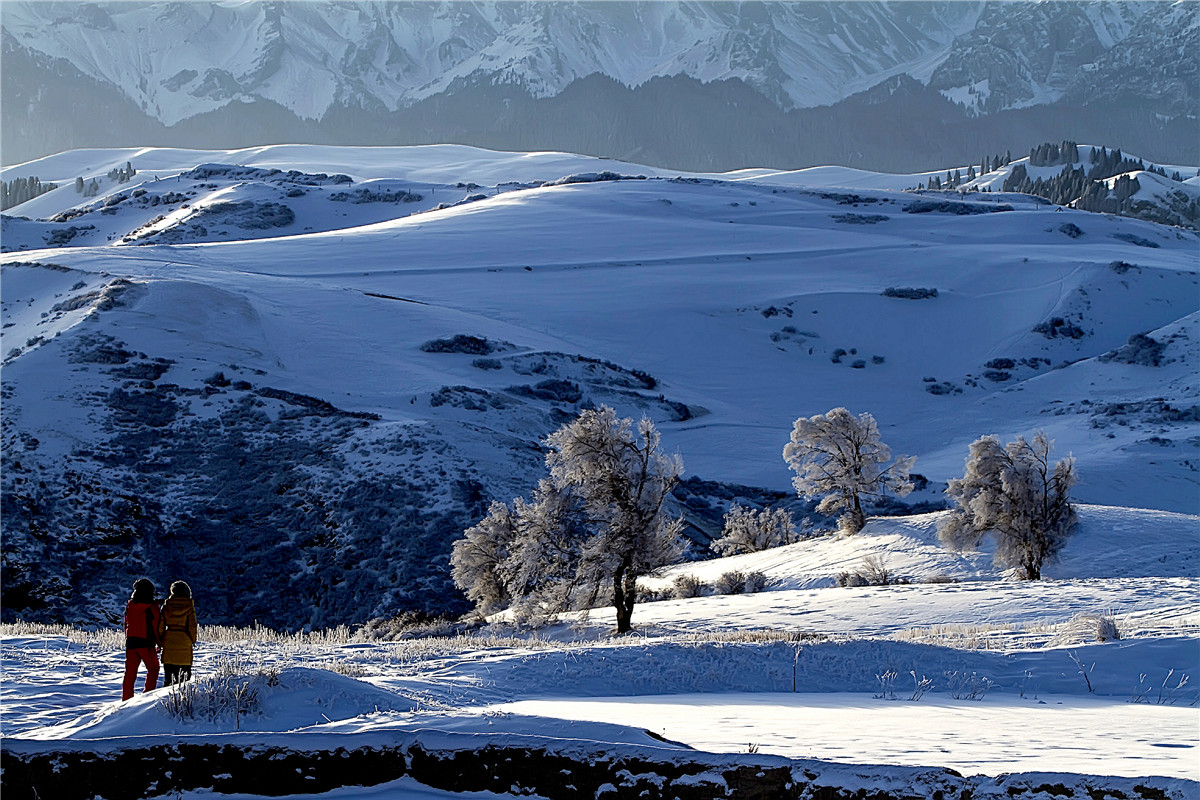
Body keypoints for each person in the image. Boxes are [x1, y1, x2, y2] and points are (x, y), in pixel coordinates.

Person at [122, 578, 161, 701]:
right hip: (146, 643)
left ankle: (126, 699)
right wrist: (160, 643)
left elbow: (126, 624)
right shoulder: (152, 606)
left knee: (130, 673)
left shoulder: (130, 605)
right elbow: (156, 626)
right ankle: (146, 697)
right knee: (153, 669)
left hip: (131, 642)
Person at [158, 580, 198, 686]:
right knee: (184, 680)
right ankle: (182, 702)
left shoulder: (166, 605)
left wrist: (162, 641)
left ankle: (167, 701)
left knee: (169, 678)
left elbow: (160, 626)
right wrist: (192, 640)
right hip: (184, 641)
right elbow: (192, 627)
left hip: (169, 640)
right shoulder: (189, 606)